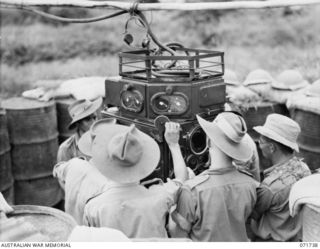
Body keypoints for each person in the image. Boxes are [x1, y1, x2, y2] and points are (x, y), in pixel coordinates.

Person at [82, 122, 188, 238]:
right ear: (142, 161)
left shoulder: (93, 207)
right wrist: (173, 145)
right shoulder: (161, 195)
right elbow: (182, 179)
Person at [169, 112, 258, 241]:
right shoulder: (251, 184)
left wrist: (177, 197)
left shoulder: (192, 191)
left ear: (209, 141)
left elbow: (176, 234)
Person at [250, 113, 311, 241]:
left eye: (260, 141)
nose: (259, 145)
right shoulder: (304, 168)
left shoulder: (270, 187)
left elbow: (252, 215)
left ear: (272, 147)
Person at [53, 118, 116, 224]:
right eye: (87, 119)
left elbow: (57, 170)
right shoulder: (103, 183)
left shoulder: (75, 164)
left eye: (94, 117)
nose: (93, 121)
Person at [57, 97, 102, 162]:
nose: (94, 122)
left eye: (95, 117)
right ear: (78, 123)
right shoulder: (66, 149)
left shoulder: (103, 139)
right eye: (88, 119)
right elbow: (63, 171)